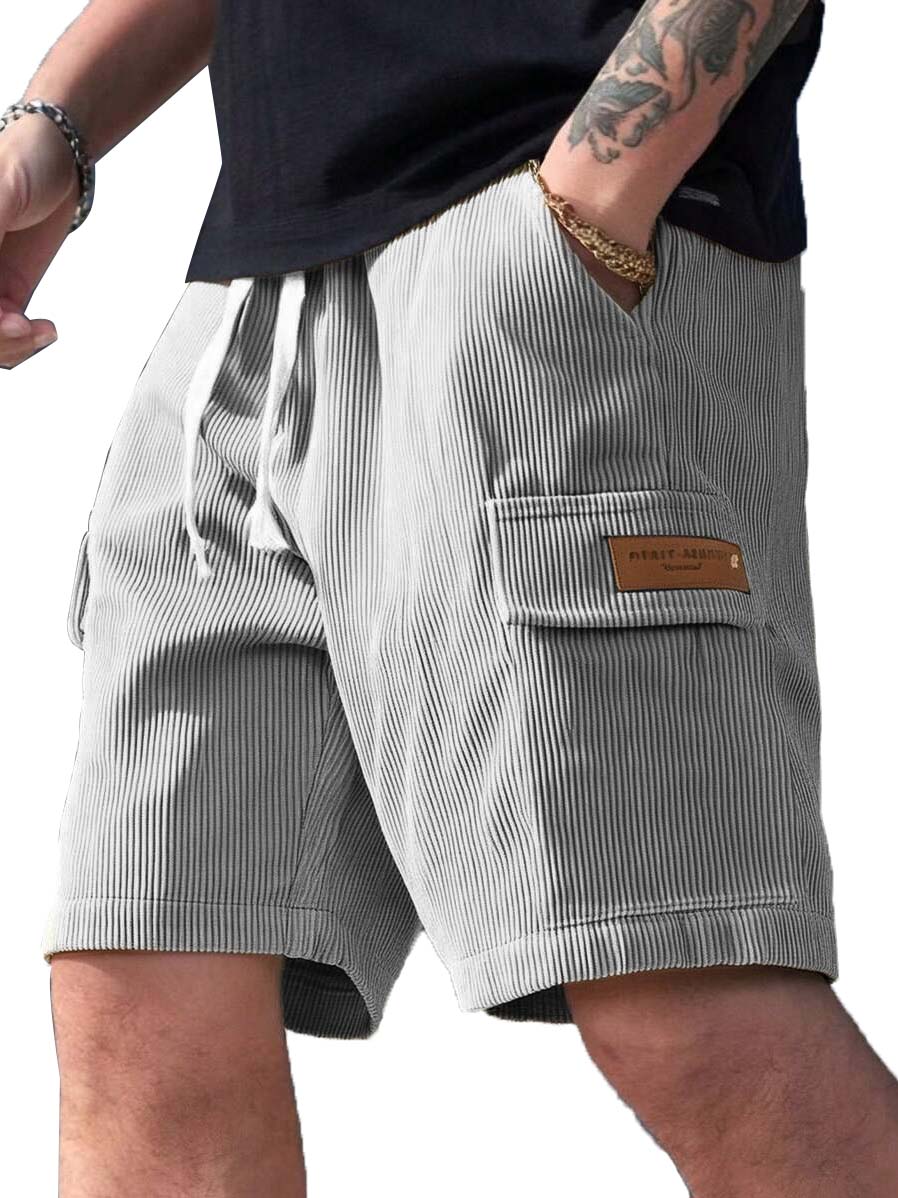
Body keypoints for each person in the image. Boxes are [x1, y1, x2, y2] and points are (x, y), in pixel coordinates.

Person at [3, 1, 897, 1194]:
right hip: (247, 301)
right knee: (142, 991)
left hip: (541, 239)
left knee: (680, 994)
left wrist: (600, 182)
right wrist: (55, 126)